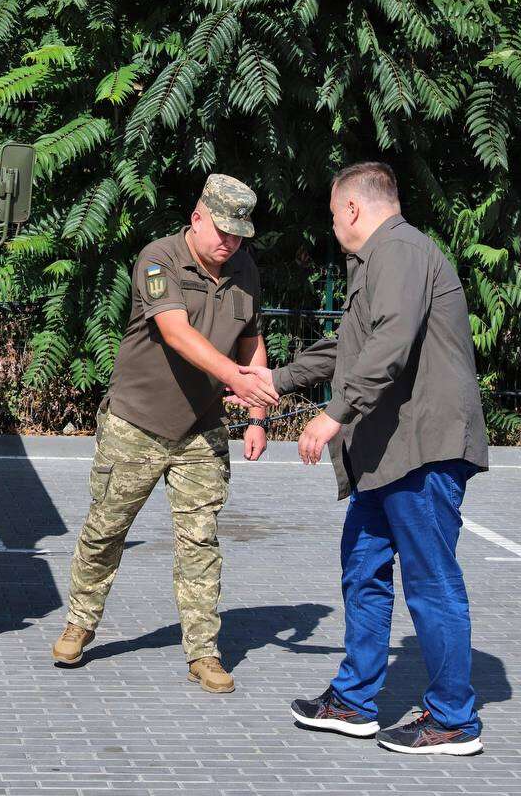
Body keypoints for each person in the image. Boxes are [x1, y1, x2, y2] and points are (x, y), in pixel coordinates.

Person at [233, 161, 489, 754]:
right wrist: (278, 377)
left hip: (422, 450)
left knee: (431, 581)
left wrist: (332, 415)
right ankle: (353, 701)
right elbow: (351, 344)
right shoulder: (377, 261)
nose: (332, 223)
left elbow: (390, 347)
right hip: (388, 453)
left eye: (331, 212)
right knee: (363, 567)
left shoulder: (401, 252)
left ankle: (453, 718)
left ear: (351, 208)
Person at [51, 174, 279, 694]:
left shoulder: (245, 270)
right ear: (197, 217)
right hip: (137, 422)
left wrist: (257, 413)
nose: (230, 243)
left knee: (200, 541)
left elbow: (251, 341)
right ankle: (80, 622)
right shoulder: (159, 259)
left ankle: (203, 652)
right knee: (107, 528)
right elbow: (176, 332)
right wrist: (234, 378)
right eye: (222, 230)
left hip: (201, 430)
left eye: (239, 234)